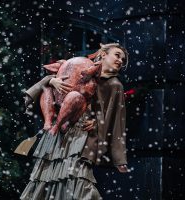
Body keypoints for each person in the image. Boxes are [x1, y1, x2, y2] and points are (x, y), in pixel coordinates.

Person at [19, 43, 129, 199]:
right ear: (103, 54)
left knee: (78, 180)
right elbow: (53, 88)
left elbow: (116, 119)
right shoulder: (81, 66)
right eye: (117, 55)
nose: (120, 61)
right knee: (45, 179)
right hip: (58, 133)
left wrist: (119, 157)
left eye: (123, 60)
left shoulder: (114, 85)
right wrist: (51, 81)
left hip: (82, 138)